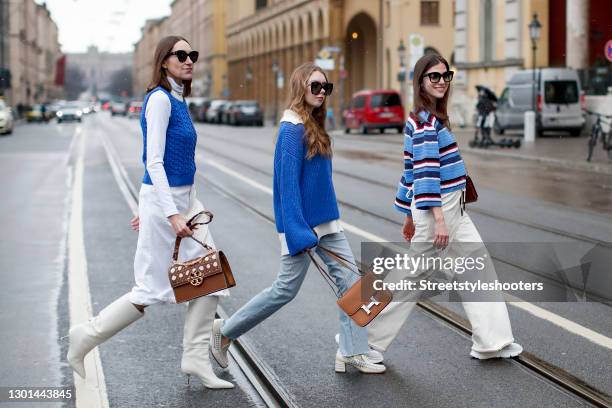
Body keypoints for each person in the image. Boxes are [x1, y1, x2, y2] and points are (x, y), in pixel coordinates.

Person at [66, 35, 233, 389]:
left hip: (179, 203)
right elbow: (153, 160)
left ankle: (194, 358)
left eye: (193, 54)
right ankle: (86, 337)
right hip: (169, 205)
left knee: (211, 280)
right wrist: (166, 212)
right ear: (163, 61)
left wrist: (168, 207)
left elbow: (182, 163)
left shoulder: (177, 98)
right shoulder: (159, 100)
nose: (189, 60)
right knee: (147, 291)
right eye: (181, 55)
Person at [209, 62, 385, 374]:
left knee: (352, 283)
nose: (321, 92)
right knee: (284, 290)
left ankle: (351, 349)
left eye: (325, 87)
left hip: (326, 222)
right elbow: (286, 185)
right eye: (315, 86)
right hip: (303, 226)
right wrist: (297, 231)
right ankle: (225, 331)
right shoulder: (291, 129)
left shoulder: (313, 124)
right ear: (300, 88)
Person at [367, 53, 523, 360]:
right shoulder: (425, 122)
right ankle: (363, 338)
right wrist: (436, 219)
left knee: (475, 266)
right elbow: (425, 173)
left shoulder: (426, 117)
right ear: (421, 82)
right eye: (433, 77)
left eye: (444, 76)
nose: (441, 82)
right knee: (411, 278)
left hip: (449, 208)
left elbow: (409, 172)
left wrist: (408, 214)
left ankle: (491, 341)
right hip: (442, 209)